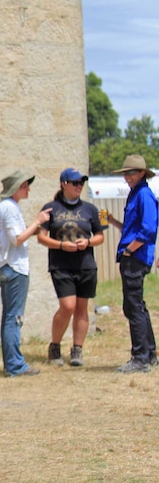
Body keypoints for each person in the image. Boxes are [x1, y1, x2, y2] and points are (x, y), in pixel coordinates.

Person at [36, 168, 106, 367]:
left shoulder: (91, 209)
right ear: (63, 184)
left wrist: (88, 243)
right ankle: (55, 346)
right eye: (75, 183)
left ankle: (77, 350)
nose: (79, 186)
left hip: (85, 265)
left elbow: (101, 236)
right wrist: (60, 245)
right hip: (61, 265)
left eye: (81, 183)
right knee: (68, 306)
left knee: (82, 309)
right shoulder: (51, 208)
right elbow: (41, 237)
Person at [0, 170, 50, 377]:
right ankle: (15, 365)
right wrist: (38, 221)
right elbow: (17, 239)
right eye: (25, 186)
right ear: (15, 188)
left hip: (7, 266)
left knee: (9, 316)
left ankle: (12, 363)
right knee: (14, 317)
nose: (28, 189)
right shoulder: (9, 208)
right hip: (13, 267)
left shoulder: (5, 207)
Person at [106, 154, 158, 373]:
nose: (126, 177)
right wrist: (112, 221)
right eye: (125, 173)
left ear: (141, 174)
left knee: (133, 306)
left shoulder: (144, 195)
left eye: (130, 173)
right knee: (137, 306)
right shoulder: (136, 194)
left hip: (135, 258)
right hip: (132, 256)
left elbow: (147, 229)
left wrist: (129, 251)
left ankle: (140, 358)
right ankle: (150, 354)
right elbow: (131, 228)